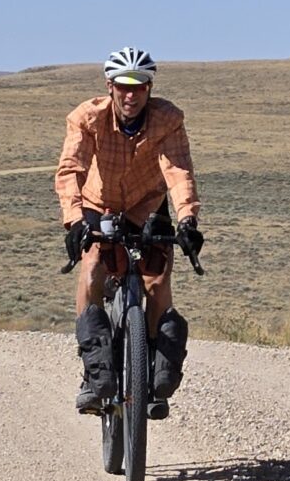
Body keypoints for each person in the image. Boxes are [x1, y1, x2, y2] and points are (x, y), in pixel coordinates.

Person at [58, 46, 204, 416]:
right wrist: (75, 220)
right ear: (109, 86)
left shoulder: (167, 119)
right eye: (123, 86)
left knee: (156, 282)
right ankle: (93, 374)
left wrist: (187, 219)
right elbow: (70, 170)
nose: (131, 94)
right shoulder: (87, 118)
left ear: (149, 88)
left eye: (139, 86)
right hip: (97, 202)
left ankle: (155, 371)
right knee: (92, 268)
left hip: (147, 204)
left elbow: (178, 171)